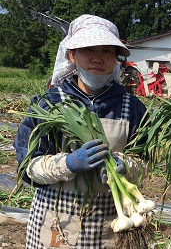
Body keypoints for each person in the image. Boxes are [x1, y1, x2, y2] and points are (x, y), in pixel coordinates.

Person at [13, 15, 148, 248]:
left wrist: (126, 167)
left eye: (107, 51)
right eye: (88, 49)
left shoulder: (132, 107)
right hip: (56, 224)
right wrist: (68, 164)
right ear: (72, 55)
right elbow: (27, 167)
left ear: (116, 58)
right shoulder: (48, 104)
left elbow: (146, 163)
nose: (97, 58)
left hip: (113, 226)